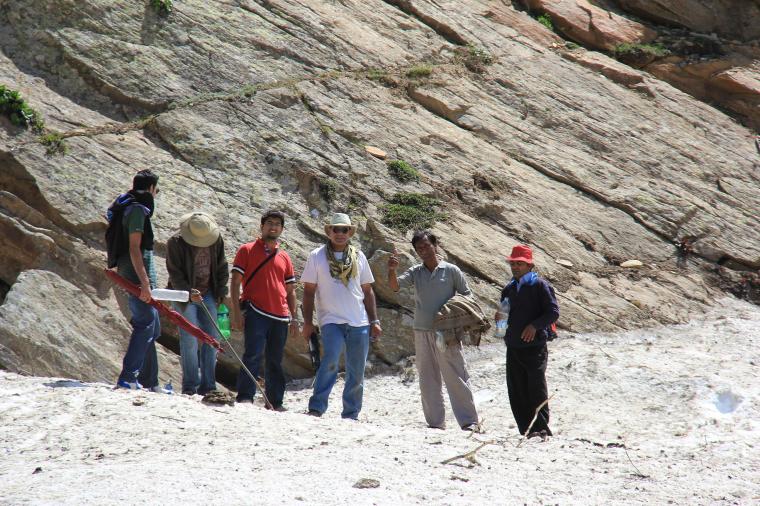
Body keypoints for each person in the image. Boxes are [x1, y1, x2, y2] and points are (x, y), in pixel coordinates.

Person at [387, 231, 480, 431]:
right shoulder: (415, 272)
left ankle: (469, 421)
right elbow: (394, 287)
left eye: (426, 245)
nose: (423, 250)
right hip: (421, 331)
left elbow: (467, 296)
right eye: (419, 248)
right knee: (427, 378)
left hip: (446, 332)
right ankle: (435, 423)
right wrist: (392, 270)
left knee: (456, 375)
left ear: (435, 245)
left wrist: (451, 312)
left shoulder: (451, 270)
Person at [301, 213, 382, 419]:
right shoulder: (316, 256)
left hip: (359, 321)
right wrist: (308, 322)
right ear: (329, 231)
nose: (340, 233)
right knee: (330, 361)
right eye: (335, 229)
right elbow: (308, 291)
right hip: (331, 320)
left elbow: (367, 291)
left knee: (357, 369)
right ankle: (317, 407)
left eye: (344, 229)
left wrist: (374, 320)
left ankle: (351, 413)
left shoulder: (359, 257)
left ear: (349, 233)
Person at [230, 210, 298, 410]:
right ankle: (245, 396)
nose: (273, 227)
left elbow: (291, 290)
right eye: (269, 223)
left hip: (281, 315)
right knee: (252, 354)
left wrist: (294, 318)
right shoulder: (247, 249)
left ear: (282, 229)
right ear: (262, 226)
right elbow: (235, 282)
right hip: (256, 310)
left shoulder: (284, 257)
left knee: (275, 360)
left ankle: (275, 401)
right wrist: (236, 312)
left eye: (277, 224)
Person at [112, 169, 168, 392]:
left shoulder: (131, 206)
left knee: (152, 327)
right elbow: (134, 248)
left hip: (139, 274)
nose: (156, 194)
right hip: (136, 275)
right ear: (151, 188)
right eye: (156, 189)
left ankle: (150, 382)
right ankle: (127, 377)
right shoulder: (137, 210)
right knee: (145, 324)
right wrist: (144, 284)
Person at [499, 245, 559, 439]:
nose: (515, 267)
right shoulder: (509, 288)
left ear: (529, 265)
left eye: (520, 263)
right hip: (513, 346)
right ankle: (526, 430)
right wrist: (500, 321)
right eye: (513, 263)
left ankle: (542, 429)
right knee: (517, 389)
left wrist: (534, 326)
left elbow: (553, 312)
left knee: (536, 388)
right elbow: (504, 314)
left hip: (535, 347)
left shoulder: (540, 286)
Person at [166, 212, 229, 396]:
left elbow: (222, 266)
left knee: (212, 339)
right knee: (189, 339)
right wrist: (188, 292)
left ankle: (208, 385)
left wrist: (221, 291)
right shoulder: (175, 242)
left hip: (209, 293)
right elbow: (174, 272)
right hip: (184, 295)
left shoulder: (216, 239)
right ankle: (190, 386)